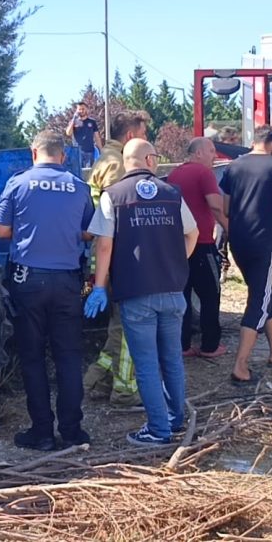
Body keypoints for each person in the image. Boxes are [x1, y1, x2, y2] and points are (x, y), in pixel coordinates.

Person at [84, 139, 199, 445]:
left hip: (136, 293)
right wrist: (174, 263)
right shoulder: (172, 194)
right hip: (173, 290)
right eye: (156, 157)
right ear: (148, 159)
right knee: (172, 358)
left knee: (146, 363)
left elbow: (104, 243)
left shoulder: (113, 195)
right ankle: (175, 421)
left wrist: (99, 286)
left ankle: (158, 430)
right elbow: (193, 233)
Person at [0, 131, 94, 451]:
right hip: (67, 281)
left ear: (33, 153)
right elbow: (88, 232)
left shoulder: (18, 183)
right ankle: (72, 430)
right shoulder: (79, 187)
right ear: (62, 156)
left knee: (33, 357)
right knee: (68, 356)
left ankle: (42, 433)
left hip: (28, 281)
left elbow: (2, 230)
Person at [82, 110, 151, 407]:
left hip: (107, 257)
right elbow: (120, 218)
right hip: (117, 257)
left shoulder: (104, 159)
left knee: (118, 325)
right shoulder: (117, 165)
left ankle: (95, 380)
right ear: (132, 136)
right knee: (127, 327)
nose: (147, 142)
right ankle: (124, 390)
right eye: (144, 135)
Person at [220, 125, 272, 383]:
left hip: (239, 242)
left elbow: (226, 207)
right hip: (265, 241)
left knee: (263, 293)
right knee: (258, 302)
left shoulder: (233, 167)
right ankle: (240, 365)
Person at [168, 137, 229, 356]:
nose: (215, 156)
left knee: (182, 296)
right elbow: (215, 205)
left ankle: (182, 345)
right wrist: (229, 227)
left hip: (178, 245)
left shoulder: (175, 173)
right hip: (202, 243)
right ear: (199, 153)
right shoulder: (204, 173)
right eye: (211, 151)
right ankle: (210, 345)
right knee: (211, 295)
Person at [65, 102, 102, 169]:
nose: (81, 111)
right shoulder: (73, 122)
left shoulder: (92, 122)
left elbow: (97, 137)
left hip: (89, 151)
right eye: (79, 109)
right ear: (77, 110)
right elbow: (68, 133)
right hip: (77, 152)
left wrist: (101, 150)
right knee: (78, 171)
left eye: (83, 109)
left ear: (86, 110)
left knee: (89, 172)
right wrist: (74, 119)